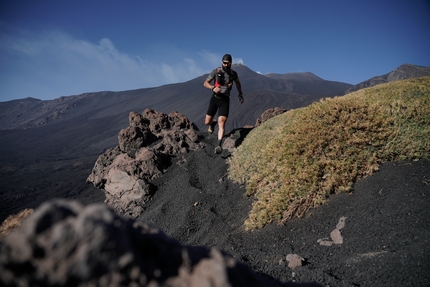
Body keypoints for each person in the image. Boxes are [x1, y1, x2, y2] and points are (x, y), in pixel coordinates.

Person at [203, 54, 244, 154]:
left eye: (227, 63)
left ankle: (219, 145)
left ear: (230, 63)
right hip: (215, 99)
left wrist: (240, 94)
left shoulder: (233, 74)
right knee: (207, 122)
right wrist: (213, 88)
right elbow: (205, 83)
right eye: (224, 63)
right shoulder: (216, 71)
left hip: (225, 101)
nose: (225, 65)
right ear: (222, 62)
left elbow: (238, 83)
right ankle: (212, 123)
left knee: (221, 123)